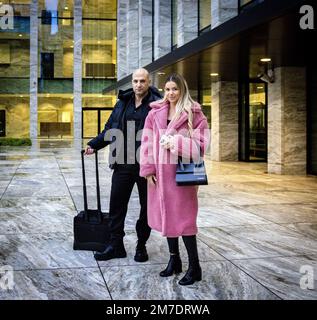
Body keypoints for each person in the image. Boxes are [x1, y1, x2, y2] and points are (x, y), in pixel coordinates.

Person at [85, 68, 161, 261]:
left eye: (142, 81)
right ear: (132, 82)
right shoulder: (122, 103)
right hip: (122, 163)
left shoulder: (158, 105)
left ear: (149, 81)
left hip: (147, 167)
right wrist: (94, 144)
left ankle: (141, 245)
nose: (138, 85)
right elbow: (110, 129)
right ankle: (115, 245)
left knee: (146, 208)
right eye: (135, 81)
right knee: (116, 206)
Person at [140, 73, 209, 285]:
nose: (171, 93)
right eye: (168, 89)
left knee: (185, 220)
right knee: (167, 216)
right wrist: (148, 169)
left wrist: (177, 142)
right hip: (160, 175)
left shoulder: (195, 114)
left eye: (175, 89)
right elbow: (147, 142)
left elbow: (202, 145)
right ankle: (174, 261)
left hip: (183, 174)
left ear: (182, 89)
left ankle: (195, 267)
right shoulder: (154, 113)